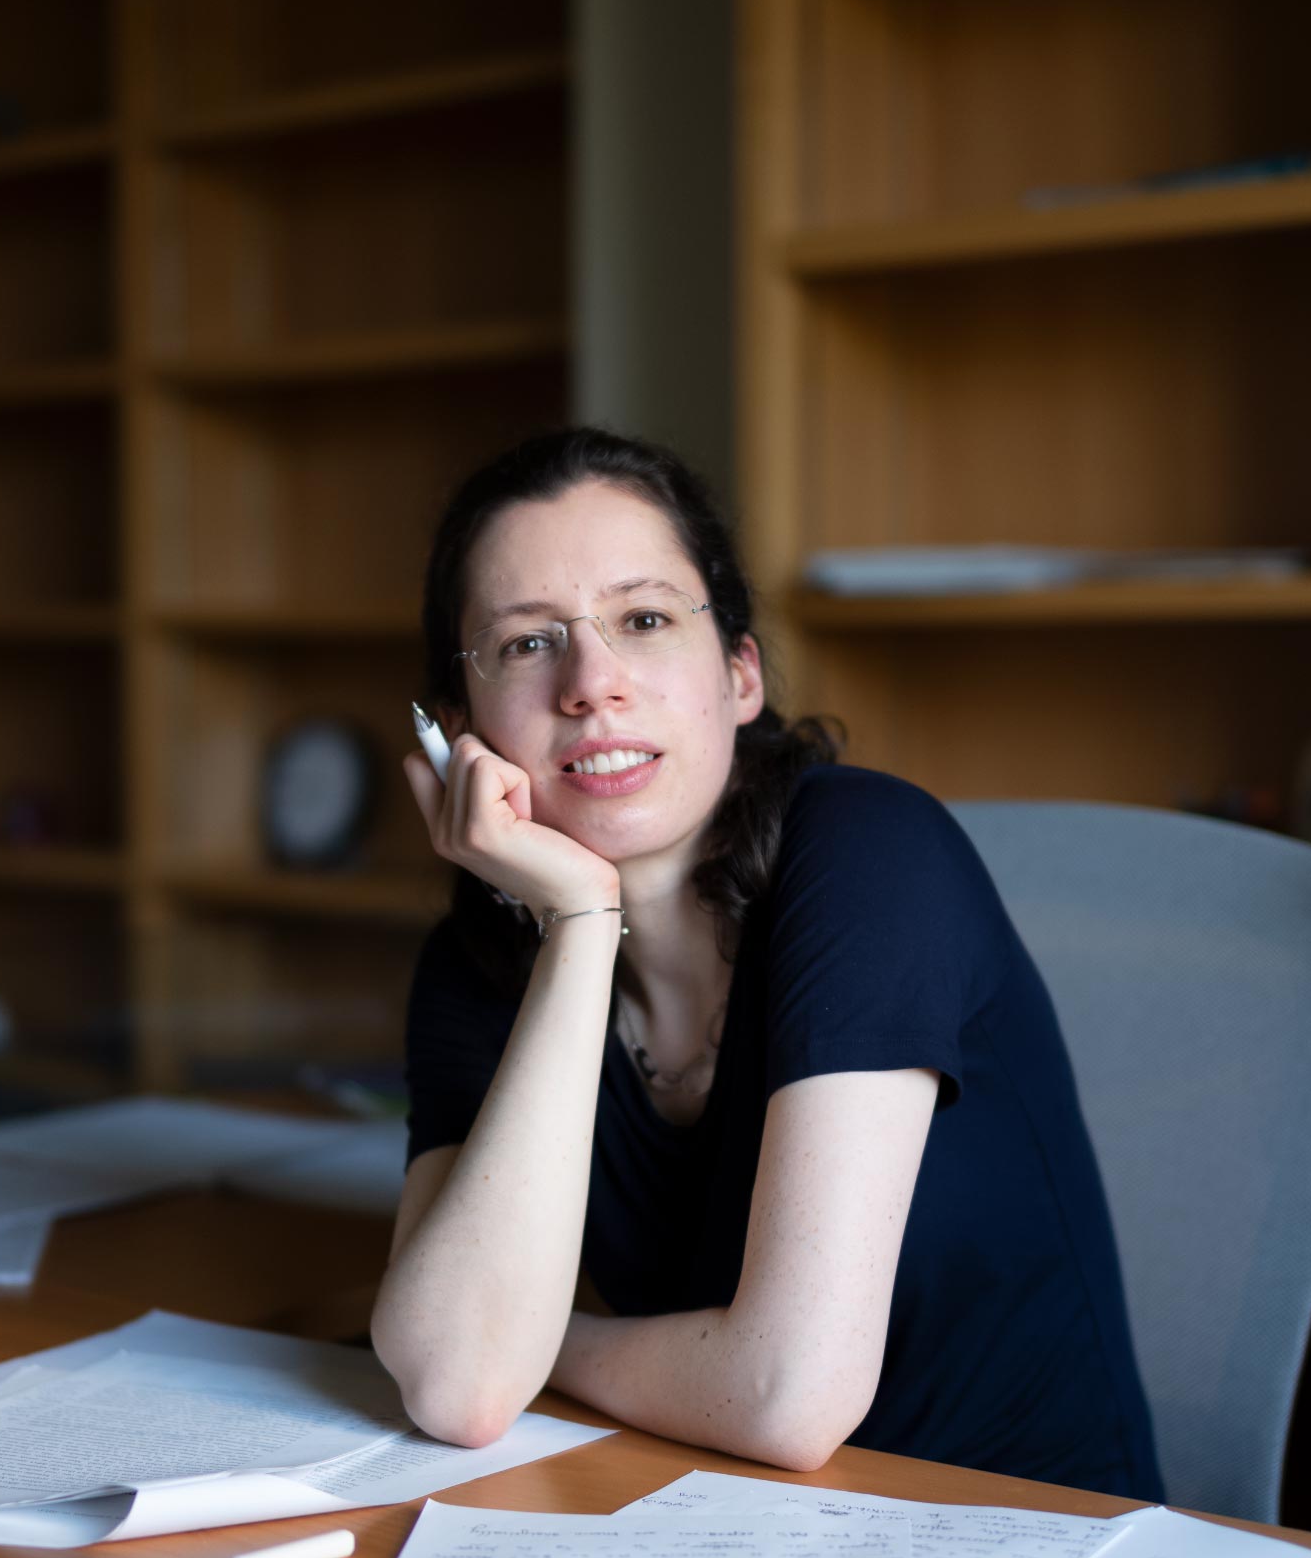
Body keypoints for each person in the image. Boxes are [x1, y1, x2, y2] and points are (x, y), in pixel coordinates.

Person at [372, 426, 1163, 1496]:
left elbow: (787, 1394)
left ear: (739, 674)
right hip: (735, 1546)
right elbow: (460, 1385)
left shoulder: (873, 857)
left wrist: (543, 1342)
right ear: (456, 730)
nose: (592, 683)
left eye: (643, 619)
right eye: (525, 643)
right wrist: (575, 923)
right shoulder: (480, 960)